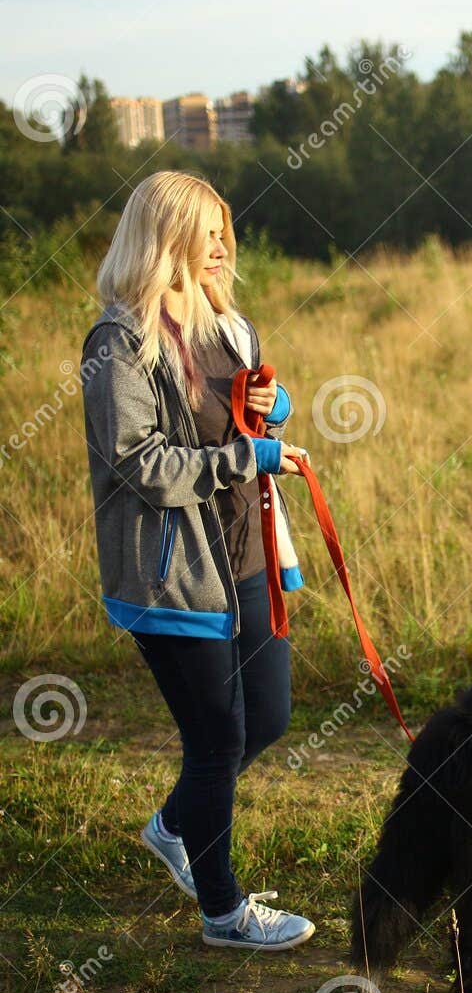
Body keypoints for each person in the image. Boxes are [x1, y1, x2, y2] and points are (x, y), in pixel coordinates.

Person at [80, 170, 316, 951]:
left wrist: (267, 405)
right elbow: (138, 461)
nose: (221, 248)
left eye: (223, 232)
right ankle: (223, 910)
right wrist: (244, 460)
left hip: (244, 555)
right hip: (172, 575)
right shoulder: (119, 343)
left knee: (270, 718)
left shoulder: (228, 325)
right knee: (216, 742)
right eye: (204, 234)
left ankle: (173, 825)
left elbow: (243, 410)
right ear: (163, 240)